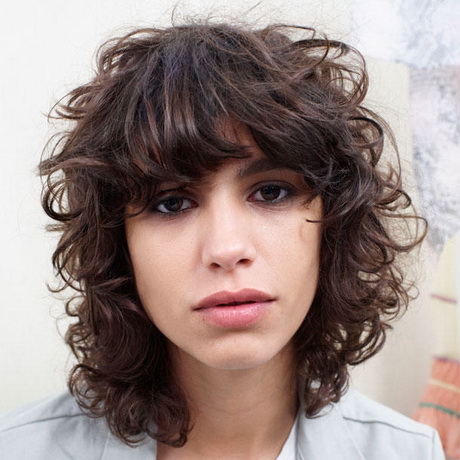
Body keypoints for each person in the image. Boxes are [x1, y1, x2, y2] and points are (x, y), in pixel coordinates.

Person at [0, 20, 445, 459]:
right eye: (172, 203)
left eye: (271, 193)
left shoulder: (411, 452)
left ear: (335, 224)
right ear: (119, 247)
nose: (227, 249)